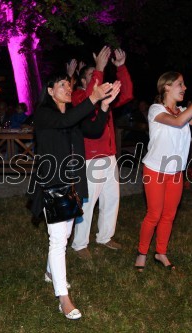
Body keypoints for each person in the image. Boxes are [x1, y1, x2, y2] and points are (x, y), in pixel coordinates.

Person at [29, 72, 120, 320]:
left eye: (69, 84)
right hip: (54, 184)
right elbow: (66, 121)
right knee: (58, 240)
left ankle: (50, 272)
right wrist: (92, 97)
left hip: (72, 183)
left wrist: (103, 105)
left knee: (65, 235)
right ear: (49, 91)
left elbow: (94, 128)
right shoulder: (43, 114)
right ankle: (63, 298)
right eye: (62, 84)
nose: (68, 88)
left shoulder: (69, 116)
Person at [134, 72, 192, 271]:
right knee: (154, 214)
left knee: (169, 215)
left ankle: (161, 252)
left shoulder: (181, 110)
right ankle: (142, 253)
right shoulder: (155, 110)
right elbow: (180, 121)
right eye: (180, 84)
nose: (184, 87)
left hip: (176, 172)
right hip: (155, 170)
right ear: (167, 87)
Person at [71, 46, 134, 259]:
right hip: (90, 159)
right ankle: (79, 244)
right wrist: (99, 68)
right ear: (82, 82)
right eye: (91, 76)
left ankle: (105, 236)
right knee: (87, 203)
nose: (97, 79)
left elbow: (127, 94)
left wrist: (121, 68)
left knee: (111, 198)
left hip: (109, 156)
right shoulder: (79, 96)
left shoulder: (104, 98)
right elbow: (90, 100)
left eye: (97, 75)